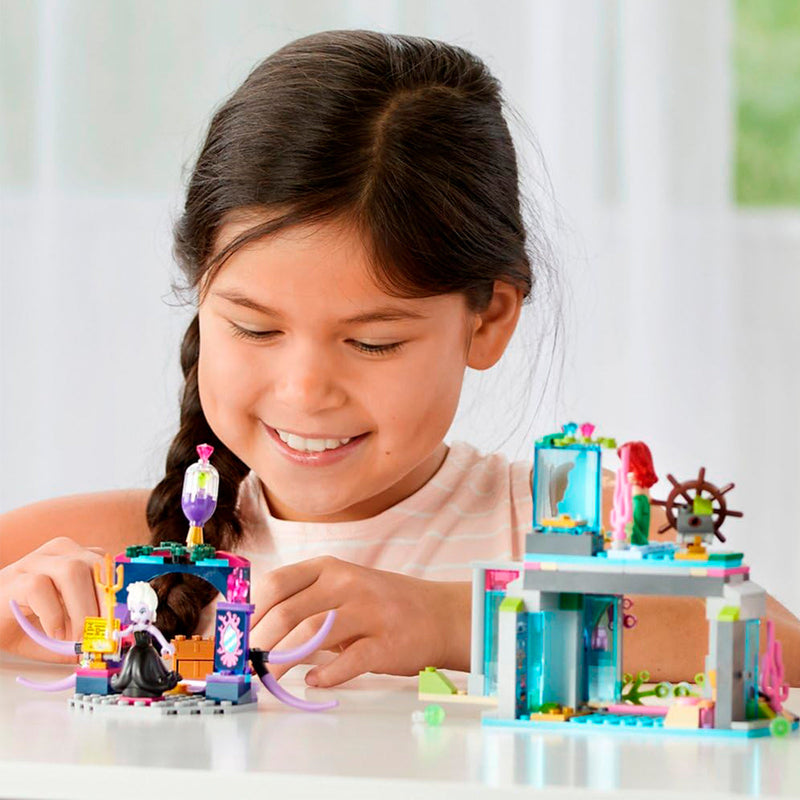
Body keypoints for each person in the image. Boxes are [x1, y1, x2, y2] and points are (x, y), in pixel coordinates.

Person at [1, 30, 797, 687]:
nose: (305, 389)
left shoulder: (563, 523)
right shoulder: (126, 544)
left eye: (372, 342)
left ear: (487, 320)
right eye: (253, 328)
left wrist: (457, 621)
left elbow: (777, 654)